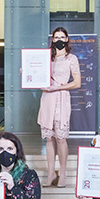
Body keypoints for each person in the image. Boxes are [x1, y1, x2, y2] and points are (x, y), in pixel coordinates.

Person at [37, 27, 81, 188]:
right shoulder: (46, 57)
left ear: (67, 39)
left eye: (62, 37)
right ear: (53, 39)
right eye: (56, 37)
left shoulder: (72, 58)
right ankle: (50, 173)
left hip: (62, 97)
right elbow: (37, 76)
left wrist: (59, 87)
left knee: (61, 138)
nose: (59, 39)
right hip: (47, 98)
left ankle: (62, 173)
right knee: (49, 138)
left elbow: (77, 82)